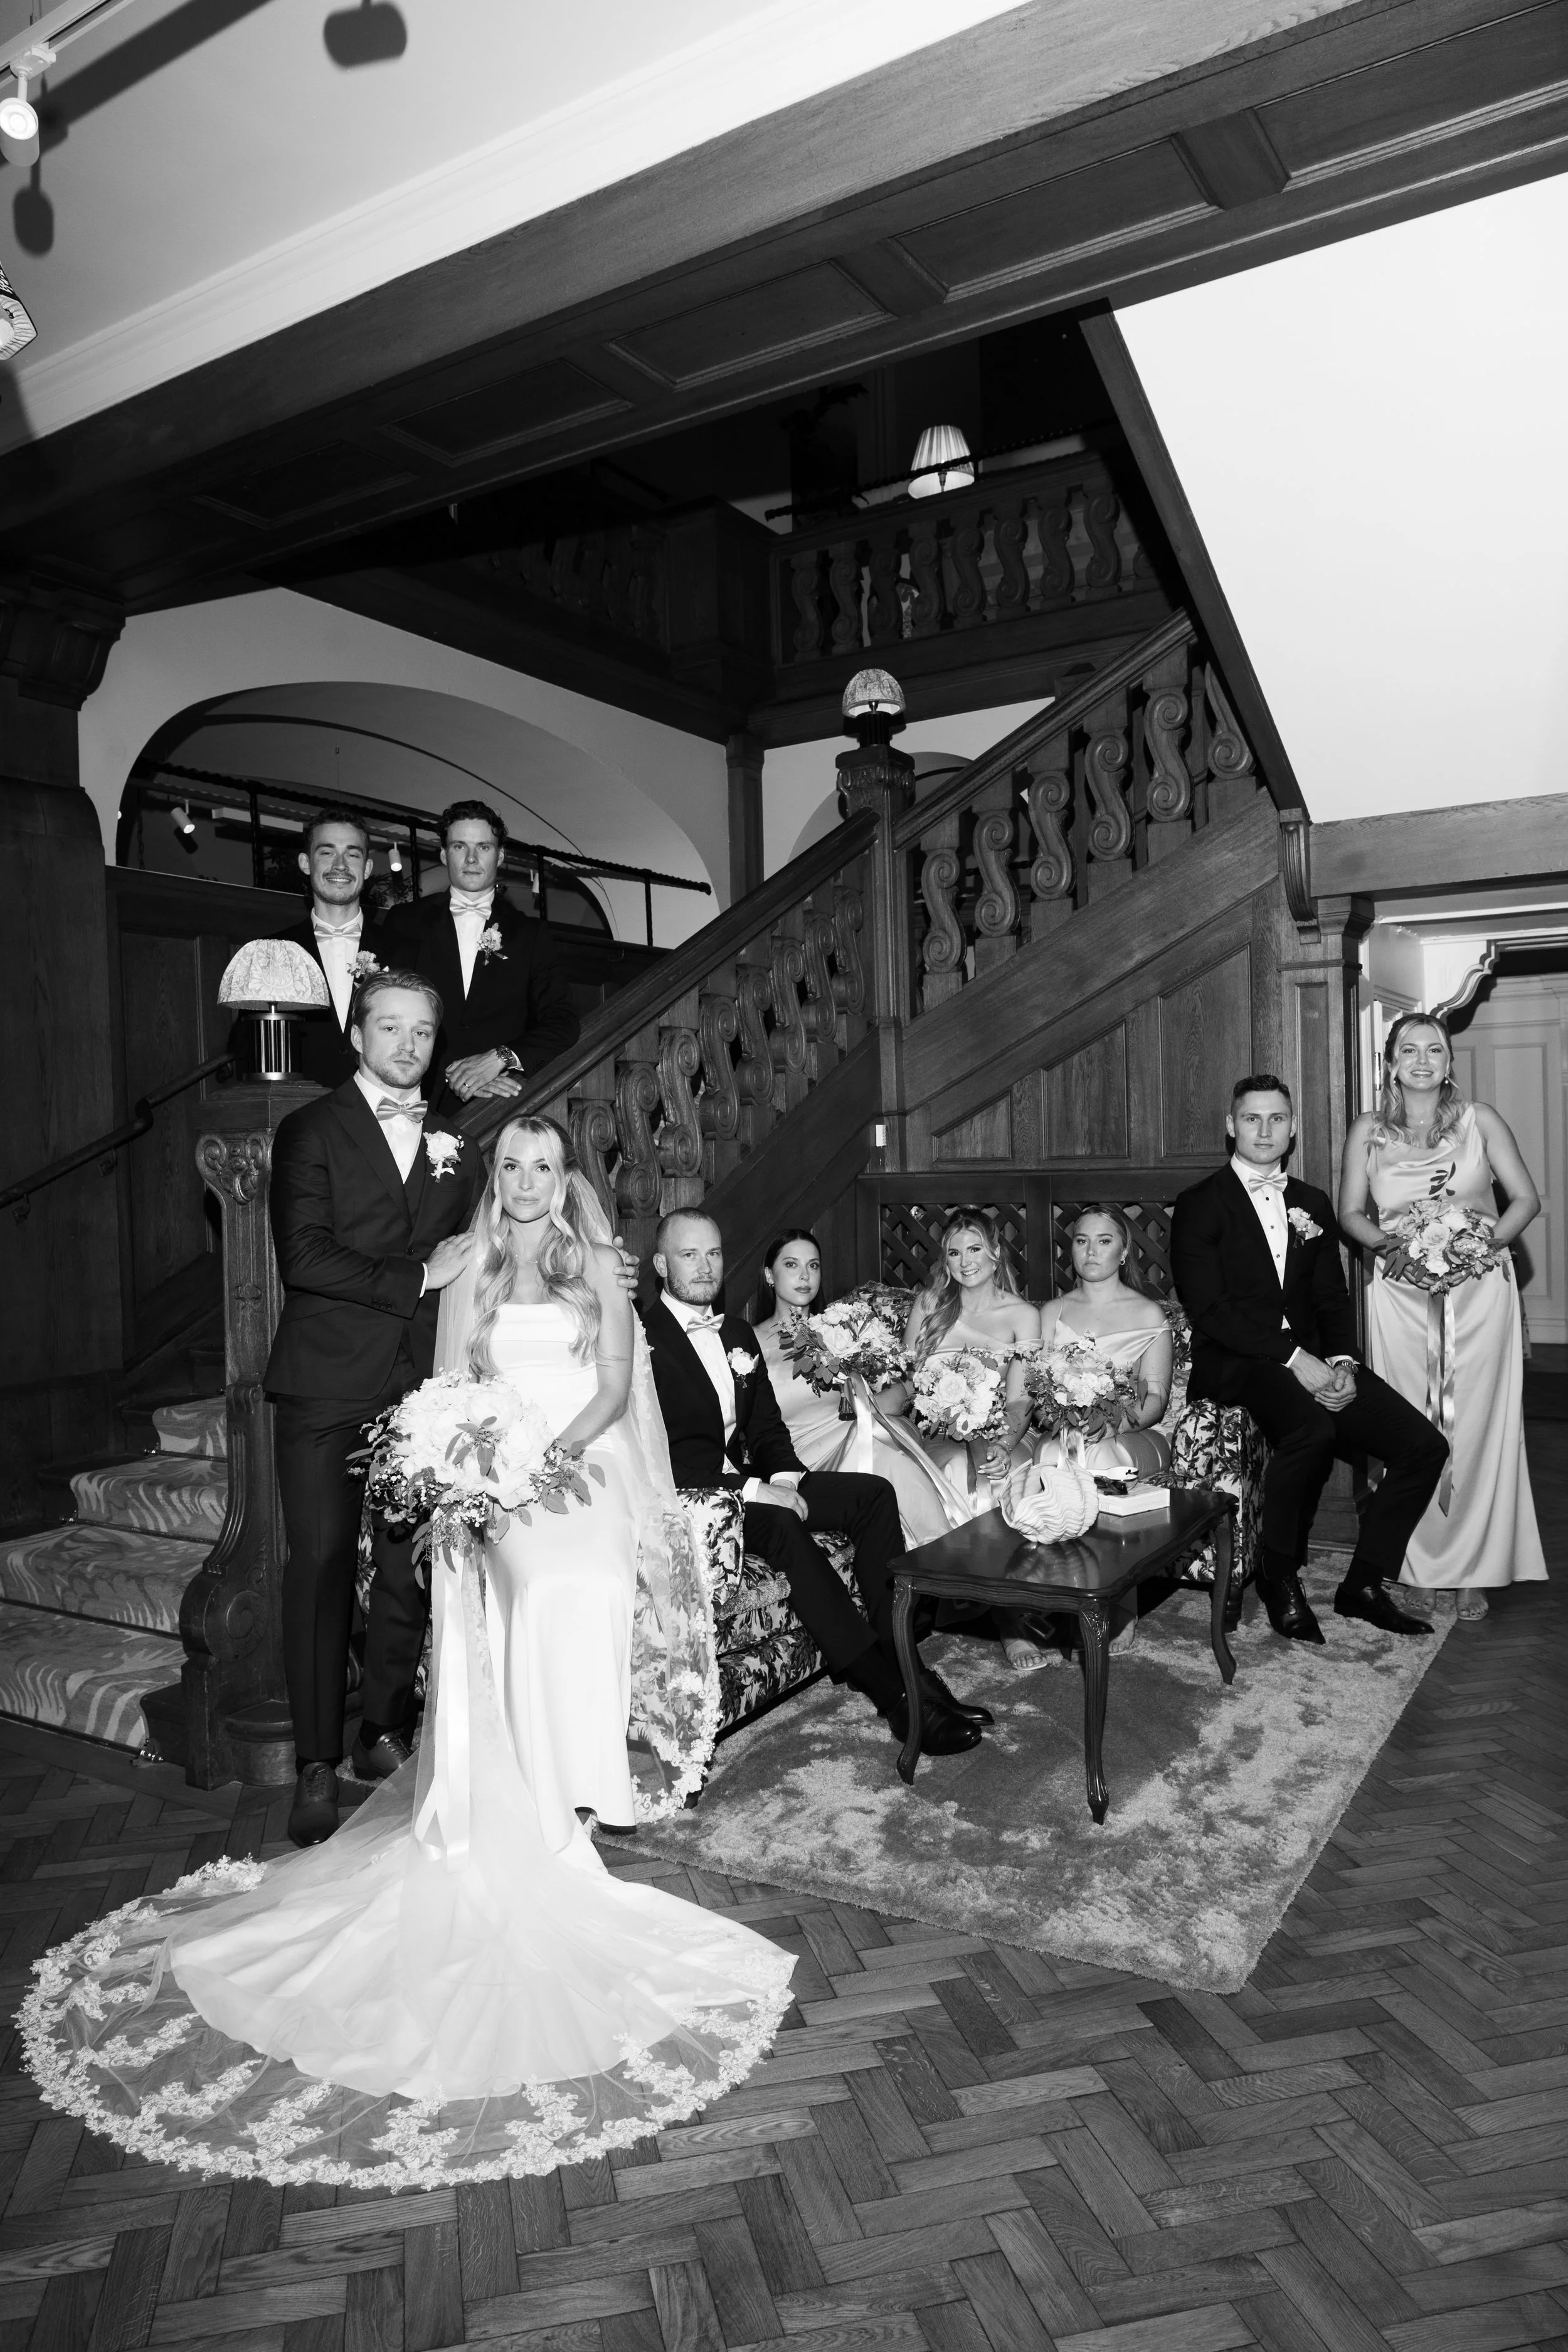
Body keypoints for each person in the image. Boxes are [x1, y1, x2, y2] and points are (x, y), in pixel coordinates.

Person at [21, 1119, 794, 2189]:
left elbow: (616, 1390)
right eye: (511, 1166)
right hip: (496, 1486)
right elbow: (444, 1393)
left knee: (588, 1576)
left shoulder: (600, 1270)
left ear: (566, 1178)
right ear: (497, 1178)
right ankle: (529, 1799)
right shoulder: (469, 1267)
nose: (526, 1183)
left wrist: (546, 1458)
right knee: (535, 1580)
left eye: (543, 1166)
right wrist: (482, 1476)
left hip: (583, 1475)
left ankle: (576, 1791)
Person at [640, 1209, 989, 1757]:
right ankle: (894, 1698)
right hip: (690, 1496)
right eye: (689, 1255)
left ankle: (908, 1663)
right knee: (780, 1520)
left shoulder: (733, 1333)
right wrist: (759, 1492)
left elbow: (767, 1428)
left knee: (873, 1495)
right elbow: (653, 1456)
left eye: (713, 1253)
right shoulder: (641, 1342)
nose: (705, 1266)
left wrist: (786, 1477)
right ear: (661, 1264)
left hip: (748, 1480)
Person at [265, 970, 483, 1846]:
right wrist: (417, 1275)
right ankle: (315, 1760)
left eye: (422, 1032)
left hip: (416, 1390)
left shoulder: (455, 1145)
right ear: (358, 1035)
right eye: (388, 1028)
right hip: (324, 1384)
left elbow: (483, 1249)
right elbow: (304, 1257)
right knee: (318, 1564)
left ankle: (378, 1729)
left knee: (406, 1567)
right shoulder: (309, 1129)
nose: (405, 1045)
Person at [1171, 1071, 1448, 1645]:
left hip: (1315, 1359)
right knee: (1313, 1432)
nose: (1264, 1130)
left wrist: (1343, 1362)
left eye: (1277, 1119)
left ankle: (1364, 1585)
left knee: (1424, 1447)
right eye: (1252, 1118)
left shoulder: (1312, 1203)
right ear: (1231, 1126)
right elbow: (1212, 1311)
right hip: (1237, 1363)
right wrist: (1296, 1357)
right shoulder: (1201, 1204)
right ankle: (1279, 1577)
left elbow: (1330, 1299)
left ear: (1293, 1129)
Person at [1338, 1012, 1545, 1618]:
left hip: (1480, 1293)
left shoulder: (1481, 1121)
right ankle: (1416, 1561)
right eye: (1410, 1049)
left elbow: (1526, 1199)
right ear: (1391, 1062)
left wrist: (1479, 1248)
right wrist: (1391, 1250)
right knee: (1411, 1430)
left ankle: (1474, 1566)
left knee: (1478, 1427)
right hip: (1401, 1296)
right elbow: (1352, 1212)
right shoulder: (1369, 1131)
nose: (1423, 1059)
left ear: (1450, 1062)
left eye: (1436, 1049)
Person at [751, 1229, 969, 1547]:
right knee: (887, 1456)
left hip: (857, 1435)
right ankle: (945, 1561)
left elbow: (898, 1387)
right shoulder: (747, 1341)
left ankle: (939, 1563)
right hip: (798, 1459)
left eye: (813, 1266)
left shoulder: (842, 1327)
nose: (804, 1276)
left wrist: (873, 1404)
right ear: (770, 1275)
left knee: (887, 1445)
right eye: (791, 1265)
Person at [385, 798, 578, 1115]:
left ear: (500, 855)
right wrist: (462, 1075)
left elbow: (563, 1022)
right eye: (460, 847)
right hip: (418, 1098)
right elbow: (387, 1013)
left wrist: (499, 1059)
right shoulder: (404, 921)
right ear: (445, 854)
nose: (472, 859)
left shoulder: (531, 934)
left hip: (501, 1102)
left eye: (484, 847)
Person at [881, 1209, 1041, 1505]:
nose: (965, 1262)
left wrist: (1004, 1444)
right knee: (953, 1468)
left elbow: (1021, 1400)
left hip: (1006, 1431)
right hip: (938, 1433)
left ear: (995, 1253)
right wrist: (868, 1408)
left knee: (1002, 1480)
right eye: (955, 1253)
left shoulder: (1024, 1316)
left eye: (975, 1249)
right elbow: (906, 1383)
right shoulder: (929, 1305)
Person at [262, 804, 400, 1088]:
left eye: (352, 854)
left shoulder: (405, 950)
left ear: (368, 867)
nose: (340, 865)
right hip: (297, 1115)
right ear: (305, 863)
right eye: (327, 853)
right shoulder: (273, 952)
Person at [1036, 1205, 1174, 1482]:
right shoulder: (1052, 1312)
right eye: (1082, 1240)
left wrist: (1113, 1424)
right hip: (1064, 1432)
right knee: (1057, 1456)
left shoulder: (1149, 1314)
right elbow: (1036, 1391)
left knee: (1098, 1456)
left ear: (1123, 1252)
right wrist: (1067, 1423)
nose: (1091, 1251)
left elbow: (1157, 1397)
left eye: (1104, 1241)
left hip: (1131, 1432)